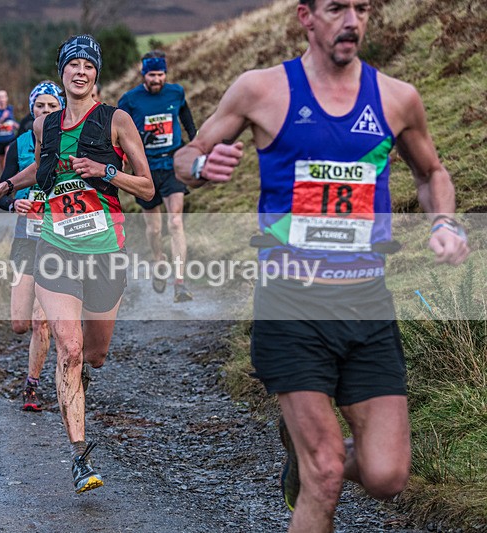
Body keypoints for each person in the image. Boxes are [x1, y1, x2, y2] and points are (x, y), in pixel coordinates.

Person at [174, 1, 470, 531]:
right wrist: (200, 163)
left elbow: (432, 173)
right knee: (326, 472)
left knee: (387, 475)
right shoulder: (261, 90)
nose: (352, 20)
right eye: (336, 8)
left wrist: (445, 223)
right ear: (306, 17)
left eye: (361, 8)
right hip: (291, 304)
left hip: (366, 304)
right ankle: (313, 463)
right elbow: (185, 156)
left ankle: (305, 456)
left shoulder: (397, 98)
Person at [0, 34, 154, 494]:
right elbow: (42, 170)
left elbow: (147, 187)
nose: (80, 71)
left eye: (88, 65)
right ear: (62, 72)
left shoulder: (117, 120)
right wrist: (5, 187)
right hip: (55, 247)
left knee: (94, 354)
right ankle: (79, 456)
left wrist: (105, 171)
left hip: (105, 250)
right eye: (72, 64)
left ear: (96, 74)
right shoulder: (45, 125)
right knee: (69, 349)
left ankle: (75, 383)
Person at [0, 81, 65, 412]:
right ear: (31, 109)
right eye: (41, 106)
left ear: (61, 108)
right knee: (20, 323)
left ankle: (32, 387)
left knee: (40, 321)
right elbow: (1, 193)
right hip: (25, 239)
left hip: (57, 241)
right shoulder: (18, 146)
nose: (46, 111)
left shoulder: (70, 143)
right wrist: (13, 204)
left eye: (53, 106)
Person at [119, 50, 197, 302]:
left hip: (172, 164)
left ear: (166, 73)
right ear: (144, 74)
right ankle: (159, 260)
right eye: (152, 75)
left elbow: (186, 117)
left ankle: (180, 283)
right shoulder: (130, 100)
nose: (157, 79)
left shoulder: (176, 92)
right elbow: (119, 132)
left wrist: (196, 142)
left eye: (160, 74)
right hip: (145, 170)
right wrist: (137, 141)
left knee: (175, 222)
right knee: (154, 229)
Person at [0, 89, 18, 180]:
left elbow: (14, 122)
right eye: (0, 97)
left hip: (10, 139)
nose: (2, 99)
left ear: (7, 98)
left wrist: (17, 126)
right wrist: (2, 118)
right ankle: (0, 182)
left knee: (6, 161)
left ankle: (7, 181)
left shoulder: (10, 108)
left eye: (4, 97)